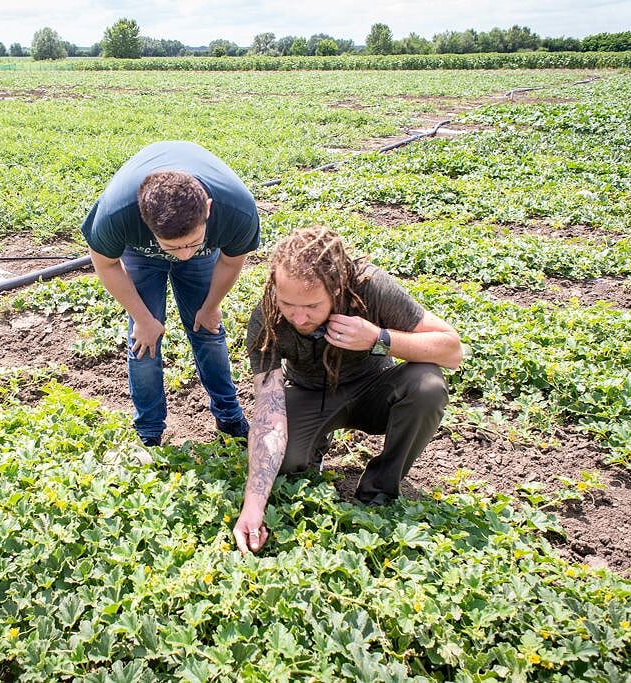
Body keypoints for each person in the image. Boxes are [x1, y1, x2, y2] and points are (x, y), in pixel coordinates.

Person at [233, 227, 463, 554]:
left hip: (374, 387)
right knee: (283, 464)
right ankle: (313, 449)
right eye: (288, 303)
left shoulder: (371, 288)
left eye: (312, 306)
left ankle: (379, 491)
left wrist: (379, 339)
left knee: (427, 385)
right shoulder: (267, 318)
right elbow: (269, 414)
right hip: (310, 392)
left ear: (337, 288)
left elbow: (452, 350)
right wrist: (253, 506)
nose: (298, 317)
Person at [81, 141, 259, 447]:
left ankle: (229, 417)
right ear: (144, 220)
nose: (184, 255)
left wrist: (211, 306)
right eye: (174, 247)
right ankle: (149, 431)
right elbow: (106, 264)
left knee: (208, 330)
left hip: (208, 250)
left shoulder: (236, 209)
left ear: (208, 209)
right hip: (141, 254)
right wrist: (143, 318)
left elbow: (230, 260)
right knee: (144, 340)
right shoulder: (118, 212)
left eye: (191, 242)